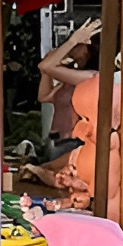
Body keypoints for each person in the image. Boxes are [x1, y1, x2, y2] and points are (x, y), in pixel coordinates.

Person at [38, 18, 100, 154]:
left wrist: (72, 42)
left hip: (72, 141)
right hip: (56, 140)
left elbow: (45, 66)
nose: (72, 48)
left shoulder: (90, 77)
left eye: (78, 44)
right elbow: (44, 96)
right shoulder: (71, 76)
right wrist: (52, 57)